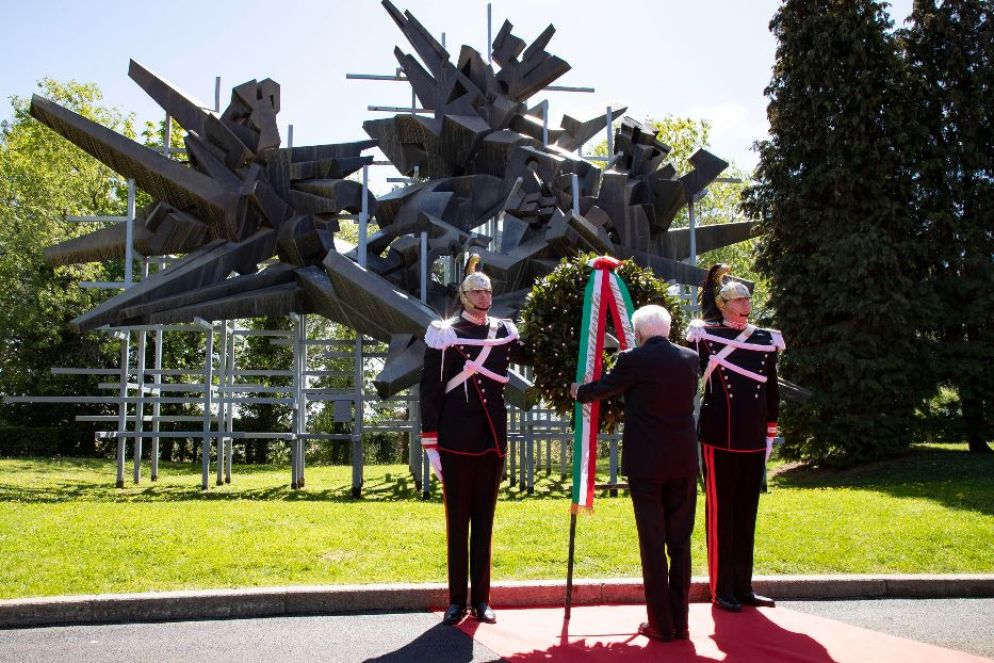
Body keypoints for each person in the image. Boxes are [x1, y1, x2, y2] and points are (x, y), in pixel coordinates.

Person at [570, 304, 700, 642]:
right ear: (668, 329)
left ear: (639, 332)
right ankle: (681, 622)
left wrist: (579, 392)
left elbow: (605, 388)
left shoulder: (633, 359)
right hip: (683, 461)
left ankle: (660, 624)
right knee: (680, 543)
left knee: (653, 543)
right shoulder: (690, 358)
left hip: (647, 464)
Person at [420, 254, 523, 626]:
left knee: (484, 522)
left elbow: (533, 355)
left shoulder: (504, 330)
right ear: (464, 296)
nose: (485, 297)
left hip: (492, 437)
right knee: (457, 522)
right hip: (455, 439)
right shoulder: (445, 332)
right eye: (477, 291)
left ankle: (481, 599)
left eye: (488, 291)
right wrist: (430, 442)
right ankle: (455, 601)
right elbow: (431, 390)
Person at [687, 264, 784, 613]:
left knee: (746, 514)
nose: (746, 305)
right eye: (739, 300)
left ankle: (743, 586)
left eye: (747, 299)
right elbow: (692, 369)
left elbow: (770, 388)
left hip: (753, 436)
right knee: (721, 515)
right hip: (720, 436)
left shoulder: (764, 339)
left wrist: (770, 429)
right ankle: (721, 588)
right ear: (724, 305)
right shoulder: (705, 335)